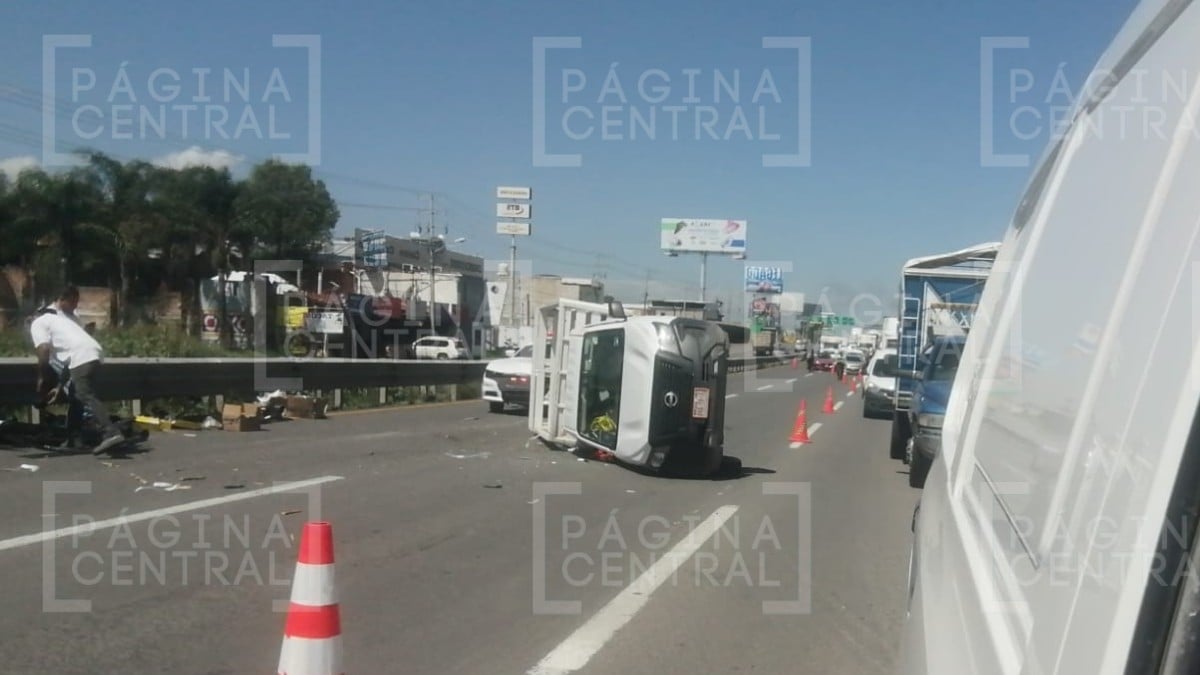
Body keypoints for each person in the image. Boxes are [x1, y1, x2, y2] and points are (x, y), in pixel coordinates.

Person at [28, 286, 125, 455]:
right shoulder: (62, 321)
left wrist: (42, 378)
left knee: (84, 394)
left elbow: (43, 351)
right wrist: (59, 386)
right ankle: (74, 439)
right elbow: (68, 362)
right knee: (76, 395)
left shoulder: (38, 323)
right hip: (92, 352)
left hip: (82, 355)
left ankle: (111, 432)